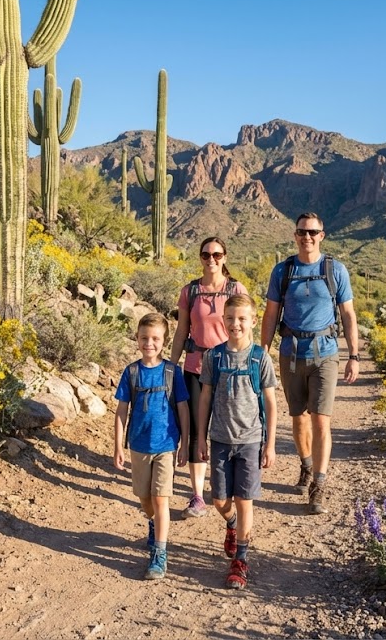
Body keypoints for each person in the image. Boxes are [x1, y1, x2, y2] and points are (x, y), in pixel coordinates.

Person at [259, 213, 359, 516]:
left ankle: (318, 483)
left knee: (320, 420)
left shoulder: (335, 270)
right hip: (291, 352)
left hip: (325, 353)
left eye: (313, 232)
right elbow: (270, 314)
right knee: (299, 418)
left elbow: (348, 315)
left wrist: (353, 355)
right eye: (302, 232)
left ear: (322, 235)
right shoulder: (283, 271)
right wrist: (262, 352)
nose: (307, 237)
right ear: (295, 235)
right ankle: (305, 465)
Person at [197, 294, 277, 590]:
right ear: (223, 320)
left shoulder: (260, 358)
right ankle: (231, 525)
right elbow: (205, 397)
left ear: (253, 321)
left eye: (242, 318)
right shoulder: (214, 356)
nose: (235, 324)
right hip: (219, 438)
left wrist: (269, 445)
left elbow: (270, 402)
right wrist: (201, 438)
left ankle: (240, 560)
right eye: (230, 318)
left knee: (244, 501)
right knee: (220, 501)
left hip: (250, 440)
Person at [169, 237, 248, 519]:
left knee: (225, 427)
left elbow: (245, 328)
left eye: (216, 254)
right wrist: (171, 364)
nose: (211, 259)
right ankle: (198, 496)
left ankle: (226, 488)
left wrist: (250, 361)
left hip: (227, 367)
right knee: (194, 429)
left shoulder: (236, 289)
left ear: (225, 257)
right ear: (200, 257)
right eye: (206, 254)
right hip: (194, 366)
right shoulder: (190, 291)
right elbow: (181, 331)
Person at [113, 313, 190, 580]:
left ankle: (159, 553)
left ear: (165, 341)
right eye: (144, 338)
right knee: (144, 500)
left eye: (155, 338)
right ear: (137, 339)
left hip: (166, 445)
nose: (149, 343)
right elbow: (122, 411)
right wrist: (118, 446)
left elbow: (183, 408)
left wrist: (185, 444)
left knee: (160, 499)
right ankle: (153, 524)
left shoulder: (172, 372)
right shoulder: (131, 372)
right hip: (138, 445)